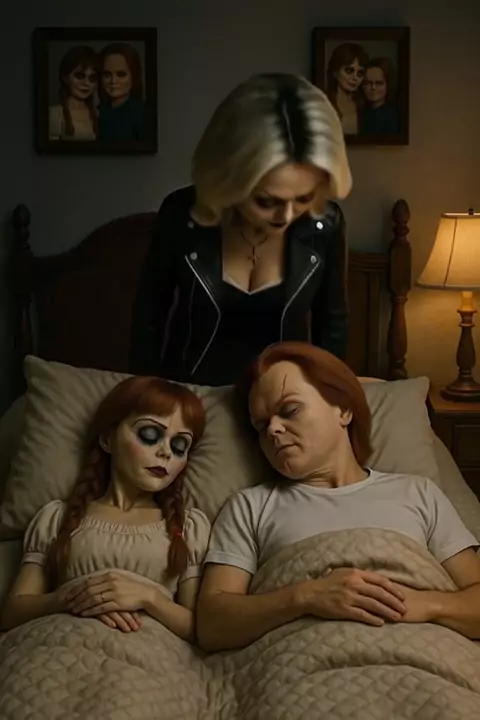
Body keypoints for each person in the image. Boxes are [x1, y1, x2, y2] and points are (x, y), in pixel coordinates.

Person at [197, 341, 480, 651]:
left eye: (290, 410)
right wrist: (305, 597)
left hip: (425, 658)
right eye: (261, 425)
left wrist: (424, 604)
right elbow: (212, 625)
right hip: (303, 663)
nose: (274, 429)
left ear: (343, 410)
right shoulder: (250, 507)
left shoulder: (418, 493)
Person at [129, 73, 352, 386]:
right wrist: (147, 396)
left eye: (303, 198)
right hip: (190, 396)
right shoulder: (181, 214)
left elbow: (333, 327)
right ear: (229, 180)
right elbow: (149, 317)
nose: (286, 216)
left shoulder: (325, 225)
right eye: (266, 200)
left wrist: (328, 396)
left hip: (281, 401)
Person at [1, 376, 210, 641]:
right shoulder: (56, 518)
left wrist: (148, 597)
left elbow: (201, 631)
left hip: (146, 657)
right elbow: (12, 613)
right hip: (53, 646)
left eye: (179, 446)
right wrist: (71, 598)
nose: (165, 452)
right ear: (107, 439)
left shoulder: (188, 528)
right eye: (149, 434)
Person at [97, 43, 147, 141]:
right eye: (107, 75)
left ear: (134, 76)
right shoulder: (97, 112)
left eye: (121, 74)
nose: (113, 81)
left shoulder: (142, 114)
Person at [49, 45, 98, 141]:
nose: (86, 83)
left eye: (92, 78)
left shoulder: (98, 114)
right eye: (79, 76)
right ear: (65, 78)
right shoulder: (54, 114)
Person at [326, 43, 369, 135]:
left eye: (360, 73)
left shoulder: (365, 106)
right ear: (335, 72)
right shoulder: (325, 103)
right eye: (349, 71)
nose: (355, 78)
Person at [360, 58, 399, 135]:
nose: (373, 88)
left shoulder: (394, 117)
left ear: (388, 85)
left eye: (379, 83)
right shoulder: (359, 114)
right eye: (368, 83)